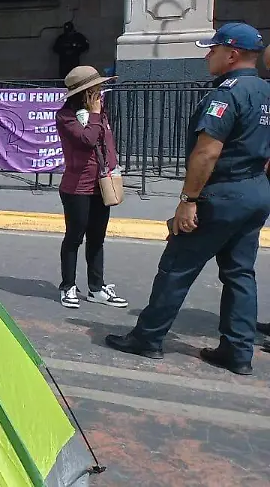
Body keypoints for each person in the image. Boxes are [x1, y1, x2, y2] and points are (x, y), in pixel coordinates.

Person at [106, 23, 270, 376]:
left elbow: (206, 154)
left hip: (222, 192)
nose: (208, 55)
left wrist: (187, 200)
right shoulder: (265, 91)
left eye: (213, 49)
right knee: (240, 272)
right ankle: (238, 351)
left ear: (233, 54)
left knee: (176, 268)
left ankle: (148, 337)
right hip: (255, 189)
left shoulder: (225, 95)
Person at [55, 66, 127, 310]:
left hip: (101, 185)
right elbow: (86, 140)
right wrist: (95, 114)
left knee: (97, 238)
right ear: (84, 93)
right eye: (96, 89)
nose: (100, 93)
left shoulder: (100, 113)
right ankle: (68, 286)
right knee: (74, 237)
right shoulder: (66, 117)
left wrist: (114, 168)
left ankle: (96, 288)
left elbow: (106, 142)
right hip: (77, 188)